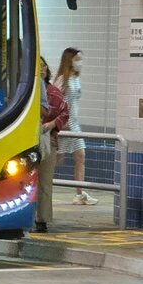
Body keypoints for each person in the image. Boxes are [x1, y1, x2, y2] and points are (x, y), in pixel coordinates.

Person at [54, 47, 96, 205]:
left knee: (80, 156)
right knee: (56, 158)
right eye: (77, 59)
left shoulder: (76, 79)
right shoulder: (60, 80)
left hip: (74, 124)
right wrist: (59, 122)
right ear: (69, 60)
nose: (80, 63)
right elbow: (55, 103)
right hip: (63, 124)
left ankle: (79, 193)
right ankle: (42, 185)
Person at [35, 61, 69, 233]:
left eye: (43, 65)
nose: (41, 68)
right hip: (24, 141)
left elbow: (65, 112)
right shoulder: (23, 91)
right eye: (37, 65)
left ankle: (42, 220)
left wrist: (52, 124)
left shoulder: (54, 93)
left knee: (44, 183)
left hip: (48, 142)